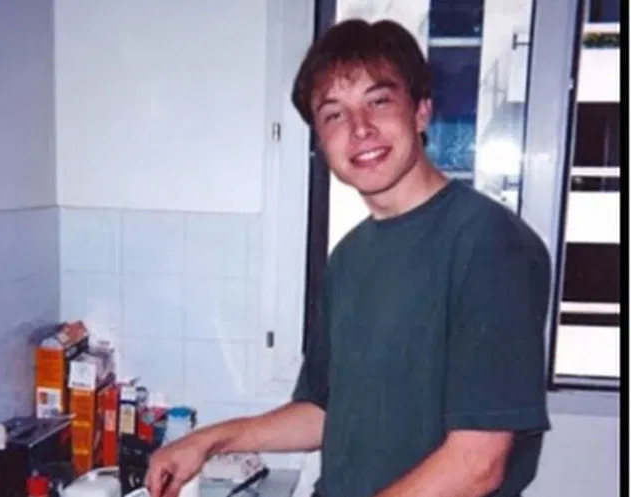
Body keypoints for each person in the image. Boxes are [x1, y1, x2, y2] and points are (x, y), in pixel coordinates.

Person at [146, 18, 551, 497]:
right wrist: (207, 441)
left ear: (421, 112)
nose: (360, 129)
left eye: (379, 102)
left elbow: (477, 463)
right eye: (334, 115)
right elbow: (323, 413)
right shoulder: (350, 257)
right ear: (320, 141)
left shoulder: (488, 244)